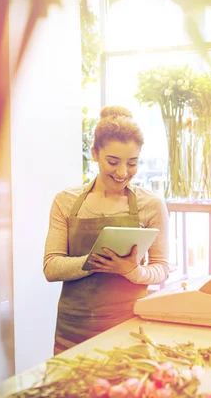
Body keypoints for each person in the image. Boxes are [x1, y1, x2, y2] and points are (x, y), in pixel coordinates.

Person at [44, 106, 169, 354]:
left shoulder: (151, 204)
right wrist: (95, 261)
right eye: (113, 161)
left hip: (130, 331)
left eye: (132, 163)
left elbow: (162, 269)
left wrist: (132, 271)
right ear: (94, 153)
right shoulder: (65, 201)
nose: (123, 173)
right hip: (73, 332)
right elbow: (51, 267)